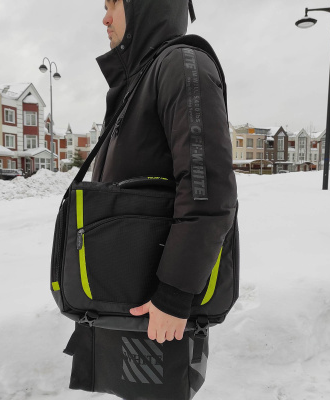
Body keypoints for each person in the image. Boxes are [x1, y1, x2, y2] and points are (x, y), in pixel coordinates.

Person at [93, 0, 237, 345]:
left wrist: (175, 292)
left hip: (159, 313)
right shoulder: (140, 81)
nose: (105, 19)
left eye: (114, 4)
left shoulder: (181, 64)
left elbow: (208, 187)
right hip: (129, 299)